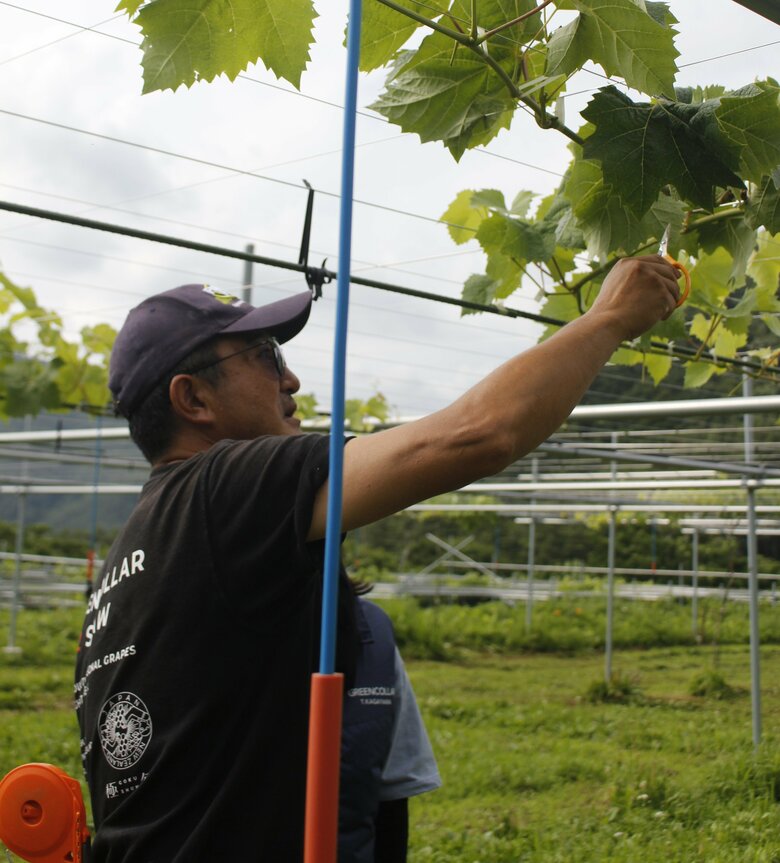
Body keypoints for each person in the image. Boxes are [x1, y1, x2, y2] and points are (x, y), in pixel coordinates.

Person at [74, 258, 680, 862]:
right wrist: (610, 318)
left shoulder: (126, 564)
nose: (291, 382)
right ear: (194, 398)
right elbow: (478, 434)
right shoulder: (223, 488)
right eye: (265, 356)